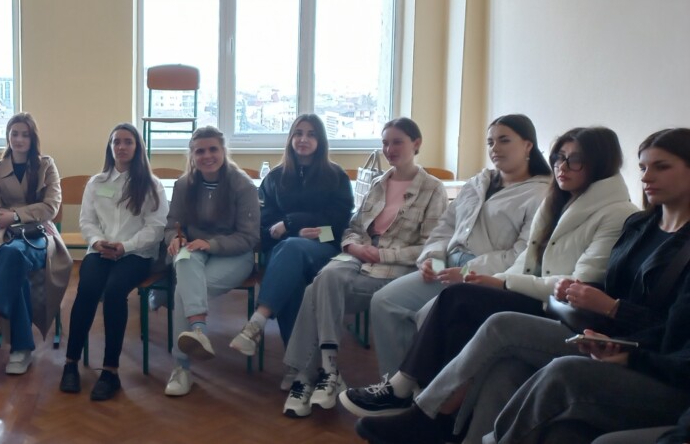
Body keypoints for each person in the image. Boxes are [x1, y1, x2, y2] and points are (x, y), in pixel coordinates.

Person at [353, 128, 690, 444]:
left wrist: (612, 315)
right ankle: (443, 421)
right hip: (594, 328)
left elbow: (650, 321)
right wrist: (434, 257)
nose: (646, 177)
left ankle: (421, 409)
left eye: (661, 167)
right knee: (500, 360)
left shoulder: (602, 211)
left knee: (476, 311)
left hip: (628, 346)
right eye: (643, 167)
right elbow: (451, 231)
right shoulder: (638, 225)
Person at [280, 118, 448, 417]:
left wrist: (383, 254)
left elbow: (431, 245)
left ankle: (306, 376)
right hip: (358, 258)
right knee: (327, 276)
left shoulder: (433, 189)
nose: (389, 149)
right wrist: (353, 246)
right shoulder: (378, 183)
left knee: (314, 290)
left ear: (416, 144)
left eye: (397, 142)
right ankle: (329, 371)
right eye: (385, 143)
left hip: (393, 268)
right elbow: (354, 227)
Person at [369, 114, 551, 375]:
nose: (495, 148)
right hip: (446, 266)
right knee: (384, 301)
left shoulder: (540, 193)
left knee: (426, 316)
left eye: (504, 140)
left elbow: (521, 255)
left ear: (528, 145)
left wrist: (466, 273)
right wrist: (432, 259)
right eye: (490, 142)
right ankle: (394, 381)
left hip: (482, 277)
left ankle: (422, 385)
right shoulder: (479, 183)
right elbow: (446, 226)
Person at [229, 113, 353, 360]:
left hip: (324, 248)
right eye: (298, 133)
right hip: (281, 252)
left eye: (311, 134)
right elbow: (265, 230)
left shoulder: (336, 176)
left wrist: (293, 224)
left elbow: (339, 228)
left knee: (292, 249)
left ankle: (258, 322)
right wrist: (296, 232)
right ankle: (299, 366)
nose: (303, 139)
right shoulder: (274, 178)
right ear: (290, 138)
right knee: (291, 275)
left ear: (321, 140)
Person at [60, 123, 169, 400]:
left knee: (114, 292)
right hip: (100, 251)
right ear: (110, 147)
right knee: (86, 290)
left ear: (137, 147)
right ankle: (70, 363)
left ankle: (110, 371)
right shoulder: (96, 183)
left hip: (136, 255)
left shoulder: (152, 185)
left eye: (128, 142)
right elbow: (87, 221)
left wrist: (125, 246)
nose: (121, 147)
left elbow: (156, 228)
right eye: (116, 142)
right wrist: (98, 242)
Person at [0, 112, 73, 375]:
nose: (19, 139)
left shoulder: (46, 165)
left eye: (25, 134)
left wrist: (15, 214)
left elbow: (51, 207)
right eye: (14, 134)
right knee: (14, 261)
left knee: (11, 256)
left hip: (40, 234)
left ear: (33, 138)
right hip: (5, 234)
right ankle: (21, 349)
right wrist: (19, 214)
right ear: (8, 136)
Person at [163, 126, 261, 397]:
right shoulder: (184, 184)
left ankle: (181, 366)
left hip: (233, 254)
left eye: (213, 149)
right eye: (200, 151)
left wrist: (212, 244)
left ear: (223, 151)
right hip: (193, 252)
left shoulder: (242, 185)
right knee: (184, 262)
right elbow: (172, 225)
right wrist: (175, 238)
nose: (207, 156)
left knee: (183, 292)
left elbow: (249, 237)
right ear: (192, 155)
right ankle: (198, 331)